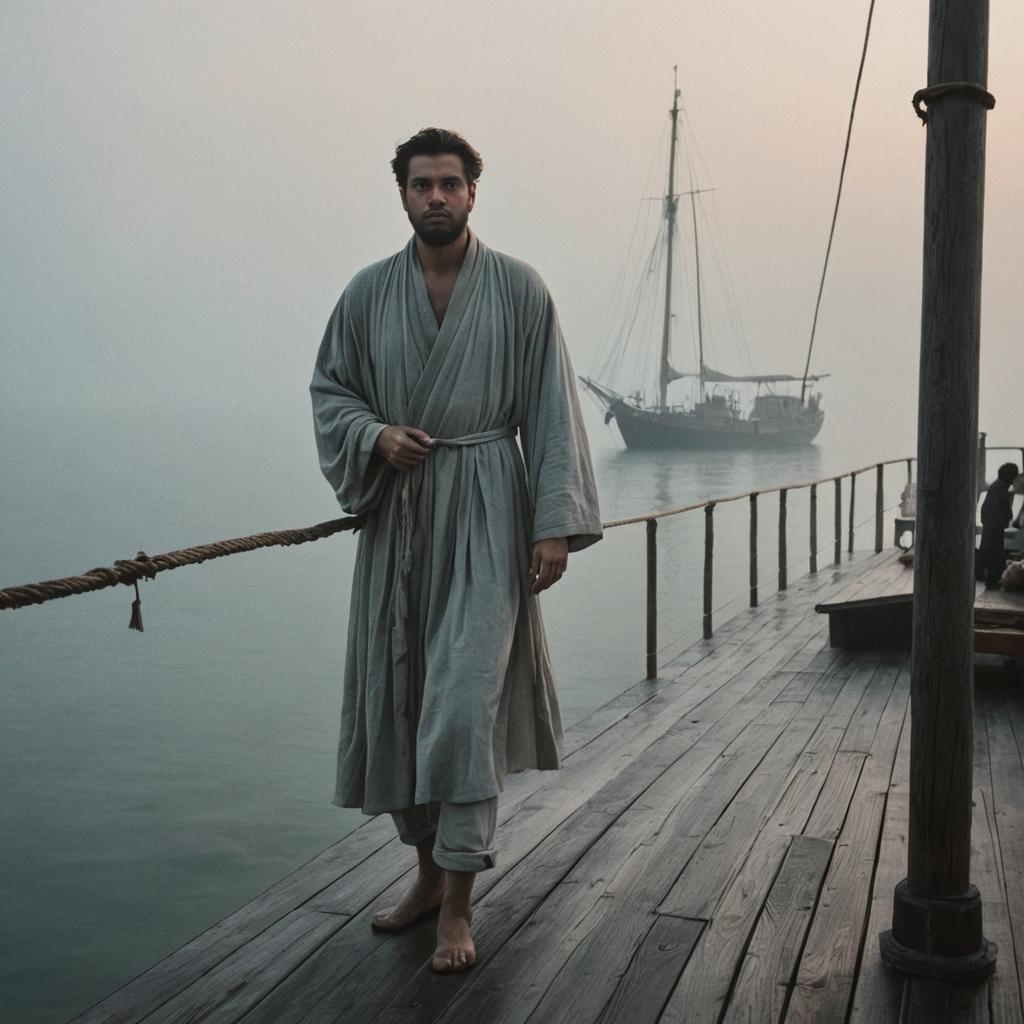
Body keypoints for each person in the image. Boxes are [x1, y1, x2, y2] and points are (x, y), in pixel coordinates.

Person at [310, 128, 602, 973]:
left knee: (464, 707)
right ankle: (428, 876)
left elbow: (550, 408)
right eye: (420, 184)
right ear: (400, 195)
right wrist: (372, 435)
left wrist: (553, 524)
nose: (435, 197)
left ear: (475, 191)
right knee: (403, 698)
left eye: (449, 183)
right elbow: (332, 390)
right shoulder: (367, 295)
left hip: (485, 509)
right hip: (399, 519)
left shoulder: (518, 290)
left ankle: (460, 905)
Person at [977, 461, 1019, 588]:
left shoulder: (996, 487)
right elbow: (1004, 509)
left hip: (991, 524)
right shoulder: (1000, 489)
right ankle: (991, 579)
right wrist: (1010, 518)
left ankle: (987, 576)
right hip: (994, 525)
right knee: (994, 553)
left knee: (990, 551)